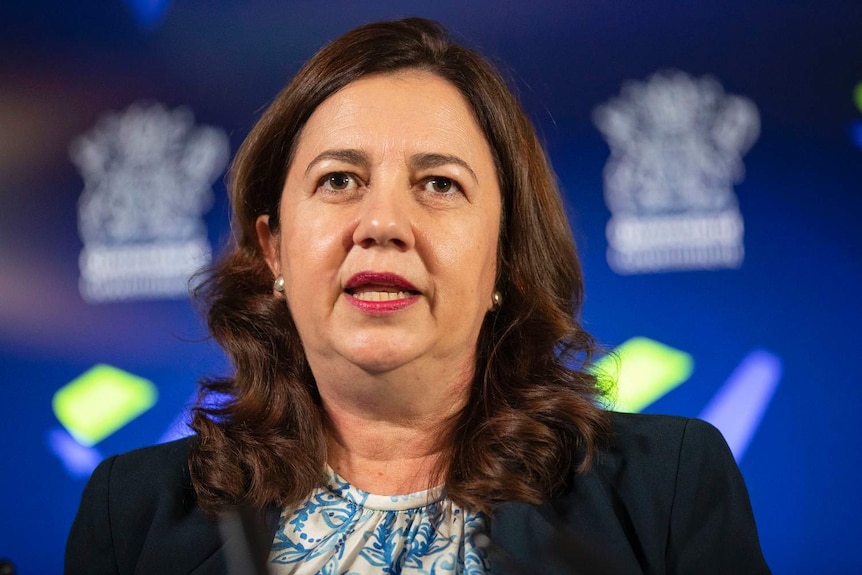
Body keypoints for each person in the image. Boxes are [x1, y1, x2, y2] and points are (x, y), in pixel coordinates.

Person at [66, 17, 770, 574]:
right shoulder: (131, 515)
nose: (382, 224)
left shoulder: (666, 490)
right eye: (339, 179)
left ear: (502, 256)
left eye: (439, 184)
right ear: (274, 247)